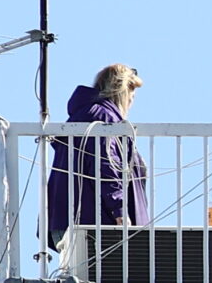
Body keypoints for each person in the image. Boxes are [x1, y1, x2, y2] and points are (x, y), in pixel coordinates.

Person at [46, 63, 149, 248]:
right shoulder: (104, 118)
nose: (131, 103)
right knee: (111, 276)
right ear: (122, 91)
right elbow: (107, 165)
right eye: (131, 96)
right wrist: (119, 210)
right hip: (94, 223)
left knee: (80, 276)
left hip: (71, 220)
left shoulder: (84, 115)